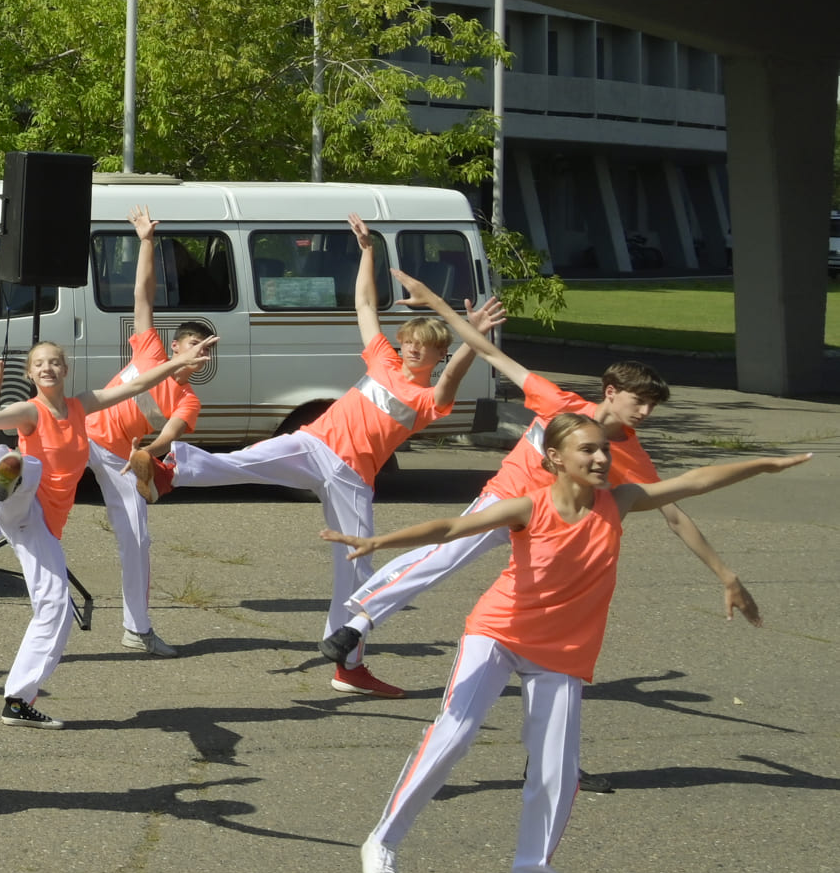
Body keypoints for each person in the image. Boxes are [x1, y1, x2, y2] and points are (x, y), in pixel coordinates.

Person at [331, 418, 810, 873]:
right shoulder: (528, 506)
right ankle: (383, 841)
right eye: (588, 450)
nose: (602, 458)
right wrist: (380, 541)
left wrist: (764, 464)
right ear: (555, 458)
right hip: (497, 633)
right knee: (454, 734)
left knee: (556, 771)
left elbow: (693, 480)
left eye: (604, 450)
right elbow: (450, 529)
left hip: (563, 649)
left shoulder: (619, 501)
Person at [322, 286, 757, 735]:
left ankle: (547, 734)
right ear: (611, 392)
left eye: (652, 405)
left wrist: (726, 573)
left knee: (542, 619)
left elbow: (675, 514)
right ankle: (357, 624)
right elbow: (490, 352)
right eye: (639, 401)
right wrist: (435, 302)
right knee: (443, 555)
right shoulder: (559, 402)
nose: (645, 412)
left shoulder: (631, 454)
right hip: (506, 501)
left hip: (550, 531)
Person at [159, 214, 487, 695]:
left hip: (352, 476)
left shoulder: (431, 398)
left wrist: (472, 335)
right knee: (248, 458)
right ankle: (169, 472)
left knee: (356, 566)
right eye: (412, 343)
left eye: (427, 348)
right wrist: (366, 251)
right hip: (315, 444)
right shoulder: (384, 360)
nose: (416, 351)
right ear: (403, 343)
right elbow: (363, 304)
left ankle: (347, 664)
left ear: (438, 355)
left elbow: (457, 372)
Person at [0, 207, 213, 655]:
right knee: (29, 479)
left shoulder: (190, 400)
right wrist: (147, 242)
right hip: (80, 430)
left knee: (137, 535)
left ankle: (138, 630)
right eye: (195, 345)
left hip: (121, 455)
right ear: (176, 346)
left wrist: (147, 452)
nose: (200, 354)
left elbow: (169, 436)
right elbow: (143, 295)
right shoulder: (152, 348)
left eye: (207, 352)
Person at [0, 333, 210, 730]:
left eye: (55, 362)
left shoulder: (81, 406)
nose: (48, 368)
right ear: (29, 373)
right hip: (22, 503)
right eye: (40, 363)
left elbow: (139, 385)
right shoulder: (29, 410)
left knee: (57, 611)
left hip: (43, 527)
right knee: (25, 469)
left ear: (65, 369)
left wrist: (178, 365)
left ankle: (18, 700)